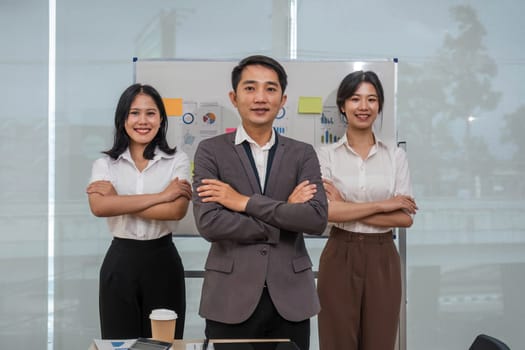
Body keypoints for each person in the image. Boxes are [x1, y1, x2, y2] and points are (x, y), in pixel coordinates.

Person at [192, 55, 328, 350]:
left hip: (290, 298)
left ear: (283, 99)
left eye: (270, 89)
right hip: (229, 297)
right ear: (234, 97)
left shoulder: (302, 153)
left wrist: (241, 202)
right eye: (250, 88)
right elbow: (210, 223)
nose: (260, 98)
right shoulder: (210, 152)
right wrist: (284, 211)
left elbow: (316, 219)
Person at [316, 70, 418, 350]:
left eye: (372, 99)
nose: (364, 107)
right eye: (355, 99)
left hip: (383, 256)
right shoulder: (325, 155)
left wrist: (346, 207)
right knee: (336, 341)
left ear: (380, 106)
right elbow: (326, 213)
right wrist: (384, 204)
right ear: (342, 106)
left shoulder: (395, 156)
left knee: (380, 342)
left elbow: (404, 218)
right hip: (339, 254)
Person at [86, 83, 191, 340]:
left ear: (161, 119)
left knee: (163, 343)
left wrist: (119, 202)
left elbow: (175, 210)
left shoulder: (177, 160)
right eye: (134, 113)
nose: (142, 120)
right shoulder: (105, 164)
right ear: (122, 119)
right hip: (120, 262)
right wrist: (161, 196)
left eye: (151, 113)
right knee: (118, 343)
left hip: (163, 262)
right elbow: (100, 207)